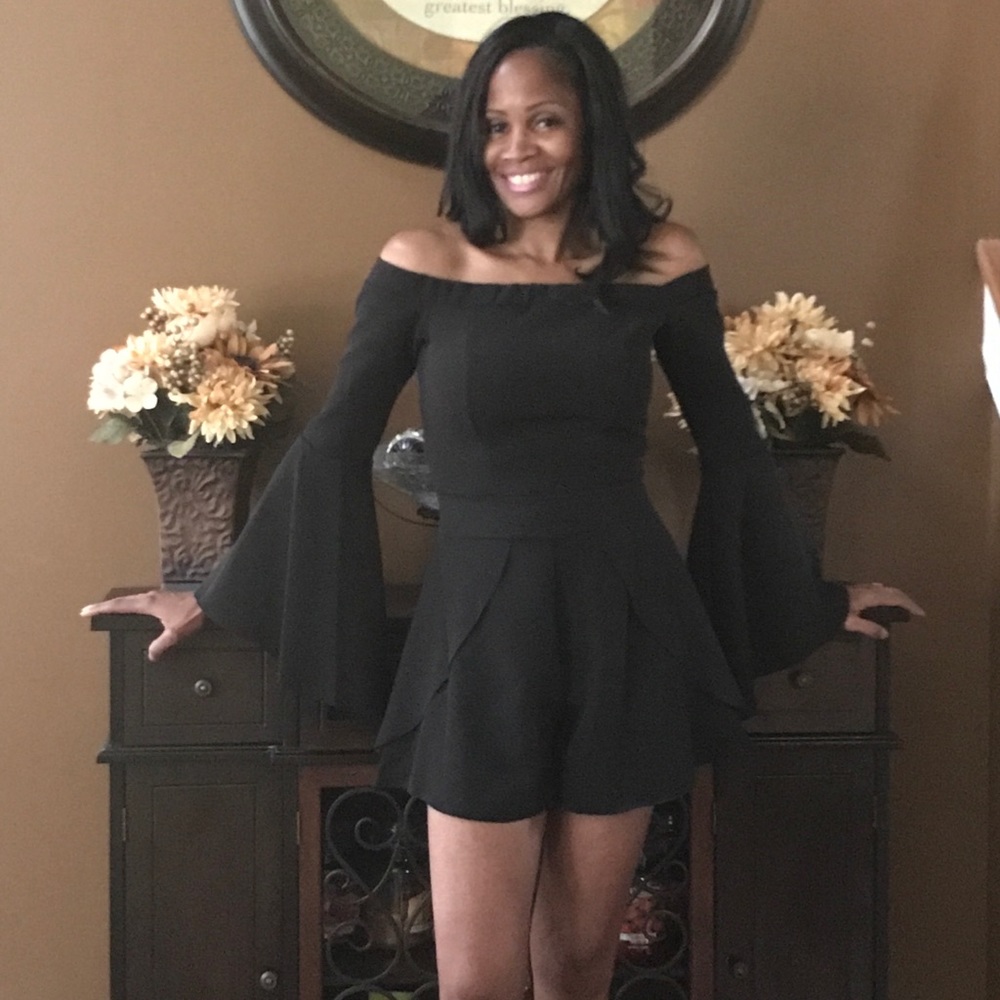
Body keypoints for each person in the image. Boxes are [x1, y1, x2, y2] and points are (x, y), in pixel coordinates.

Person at [81, 12, 923, 1000]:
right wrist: (212, 594)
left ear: (591, 125)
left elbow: (732, 448)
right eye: (493, 124)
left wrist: (812, 600)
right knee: (477, 982)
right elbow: (336, 440)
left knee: (576, 971)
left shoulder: (663, 260)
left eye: (545, 120)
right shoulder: (421, 261)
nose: (517, 147)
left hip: (626, 622)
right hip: (478, 634)